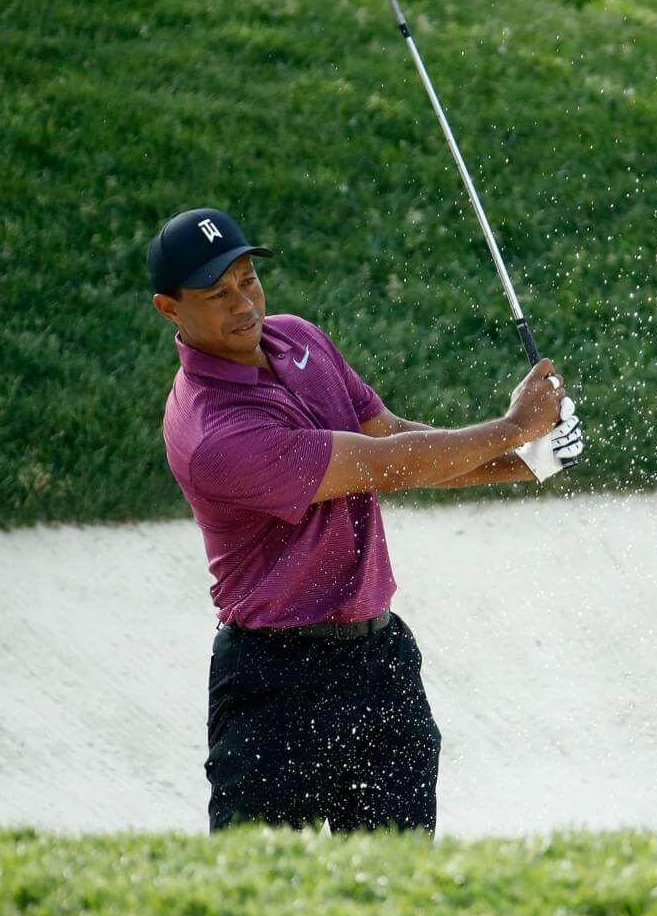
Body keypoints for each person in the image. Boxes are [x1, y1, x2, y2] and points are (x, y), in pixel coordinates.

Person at [147, 207, 584, 837]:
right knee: (266, 885)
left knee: (396, 880)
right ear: (170, 309)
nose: (243, 304)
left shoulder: (298, 338)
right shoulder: (216, 433)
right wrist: (515, 426)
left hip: (380, 664)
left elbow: (391, 437)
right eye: (216, 294)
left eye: (248, 280)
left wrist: (526, 460)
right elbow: (385, 466)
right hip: (277, 686)